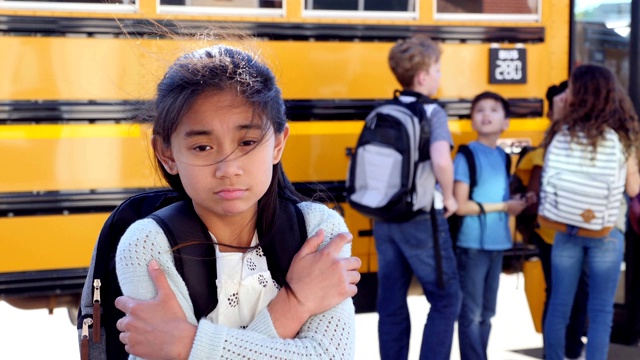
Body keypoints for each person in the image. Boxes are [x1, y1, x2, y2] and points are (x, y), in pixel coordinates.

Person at [113, 44, 362, 359]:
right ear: (167, 154)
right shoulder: (149, 245)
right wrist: (295, 303)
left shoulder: (317, 231)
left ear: (278, 143)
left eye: (247, 142)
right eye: (202, 147)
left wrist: (187, 345)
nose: (228, 169)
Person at [372, 34, 461, 360]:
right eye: (437, 69)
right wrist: (449, 196)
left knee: (391, 302)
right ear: (423, 76)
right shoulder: (432, 113)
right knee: (446, 298)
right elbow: (440, 159)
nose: (439, 76)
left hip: (384, 217)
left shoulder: (383, 111)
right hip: (421, 218)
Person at [541, 64, 640, 360]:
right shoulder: (622, 137)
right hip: (607, 231)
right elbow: (633, 189)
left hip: (564, 227)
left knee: (559, 306)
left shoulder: (562, 133)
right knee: (600, 311)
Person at [514, 81, 588, 360]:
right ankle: (558, 353)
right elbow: (532, 193)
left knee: (578, 294)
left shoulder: (586, 140)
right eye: (561, 103)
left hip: (580, 233)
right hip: (551, 233)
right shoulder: (546, 150)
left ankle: (570, 350)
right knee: (560, 293)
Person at [453, 91, 528, 360]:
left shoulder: (503, 157)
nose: (486, 115)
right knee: (471, 313)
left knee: (487, 313)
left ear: (506, 122)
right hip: (472, 243)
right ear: (472, 120)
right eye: (480, 110)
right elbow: (460, 205)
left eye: (493, 110)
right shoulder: (466, 156)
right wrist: (505, 207)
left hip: (498, 242)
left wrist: (515, 202)